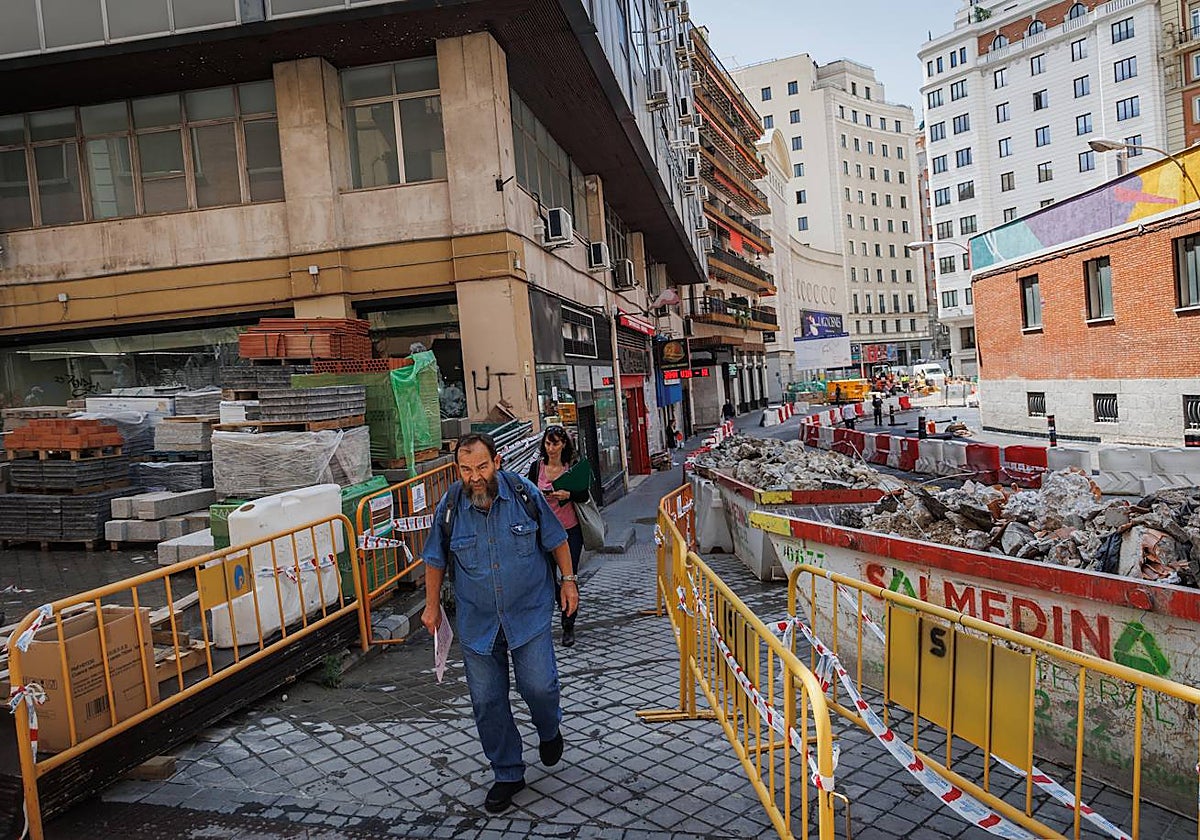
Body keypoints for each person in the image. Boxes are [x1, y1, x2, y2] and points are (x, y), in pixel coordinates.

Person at [421, 432, 579, 814]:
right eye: (466, 469)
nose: (475, 477)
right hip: (478, 623)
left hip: (529, 612)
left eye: (482, 467)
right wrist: (431, 607)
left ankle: (549, 729)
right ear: (457, 470)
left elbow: (556, 538)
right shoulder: (451, 506)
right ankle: (508, 772)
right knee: (487, 700)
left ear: (497, 462)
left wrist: (569, 581)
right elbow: (435, 558)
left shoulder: (524, 493)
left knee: (539, 687)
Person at [526, 426, 590, 647]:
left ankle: (568, 625)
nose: (551, 448)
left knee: (568, 577)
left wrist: (568, 494)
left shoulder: (572, 467)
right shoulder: (537, 468)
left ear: (564, 445)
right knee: (546, 577)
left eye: (555, 443)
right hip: (543, 531)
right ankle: (561, 603)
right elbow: (526, 494)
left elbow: (584, 493)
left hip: (569, 530)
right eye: (547, 443)